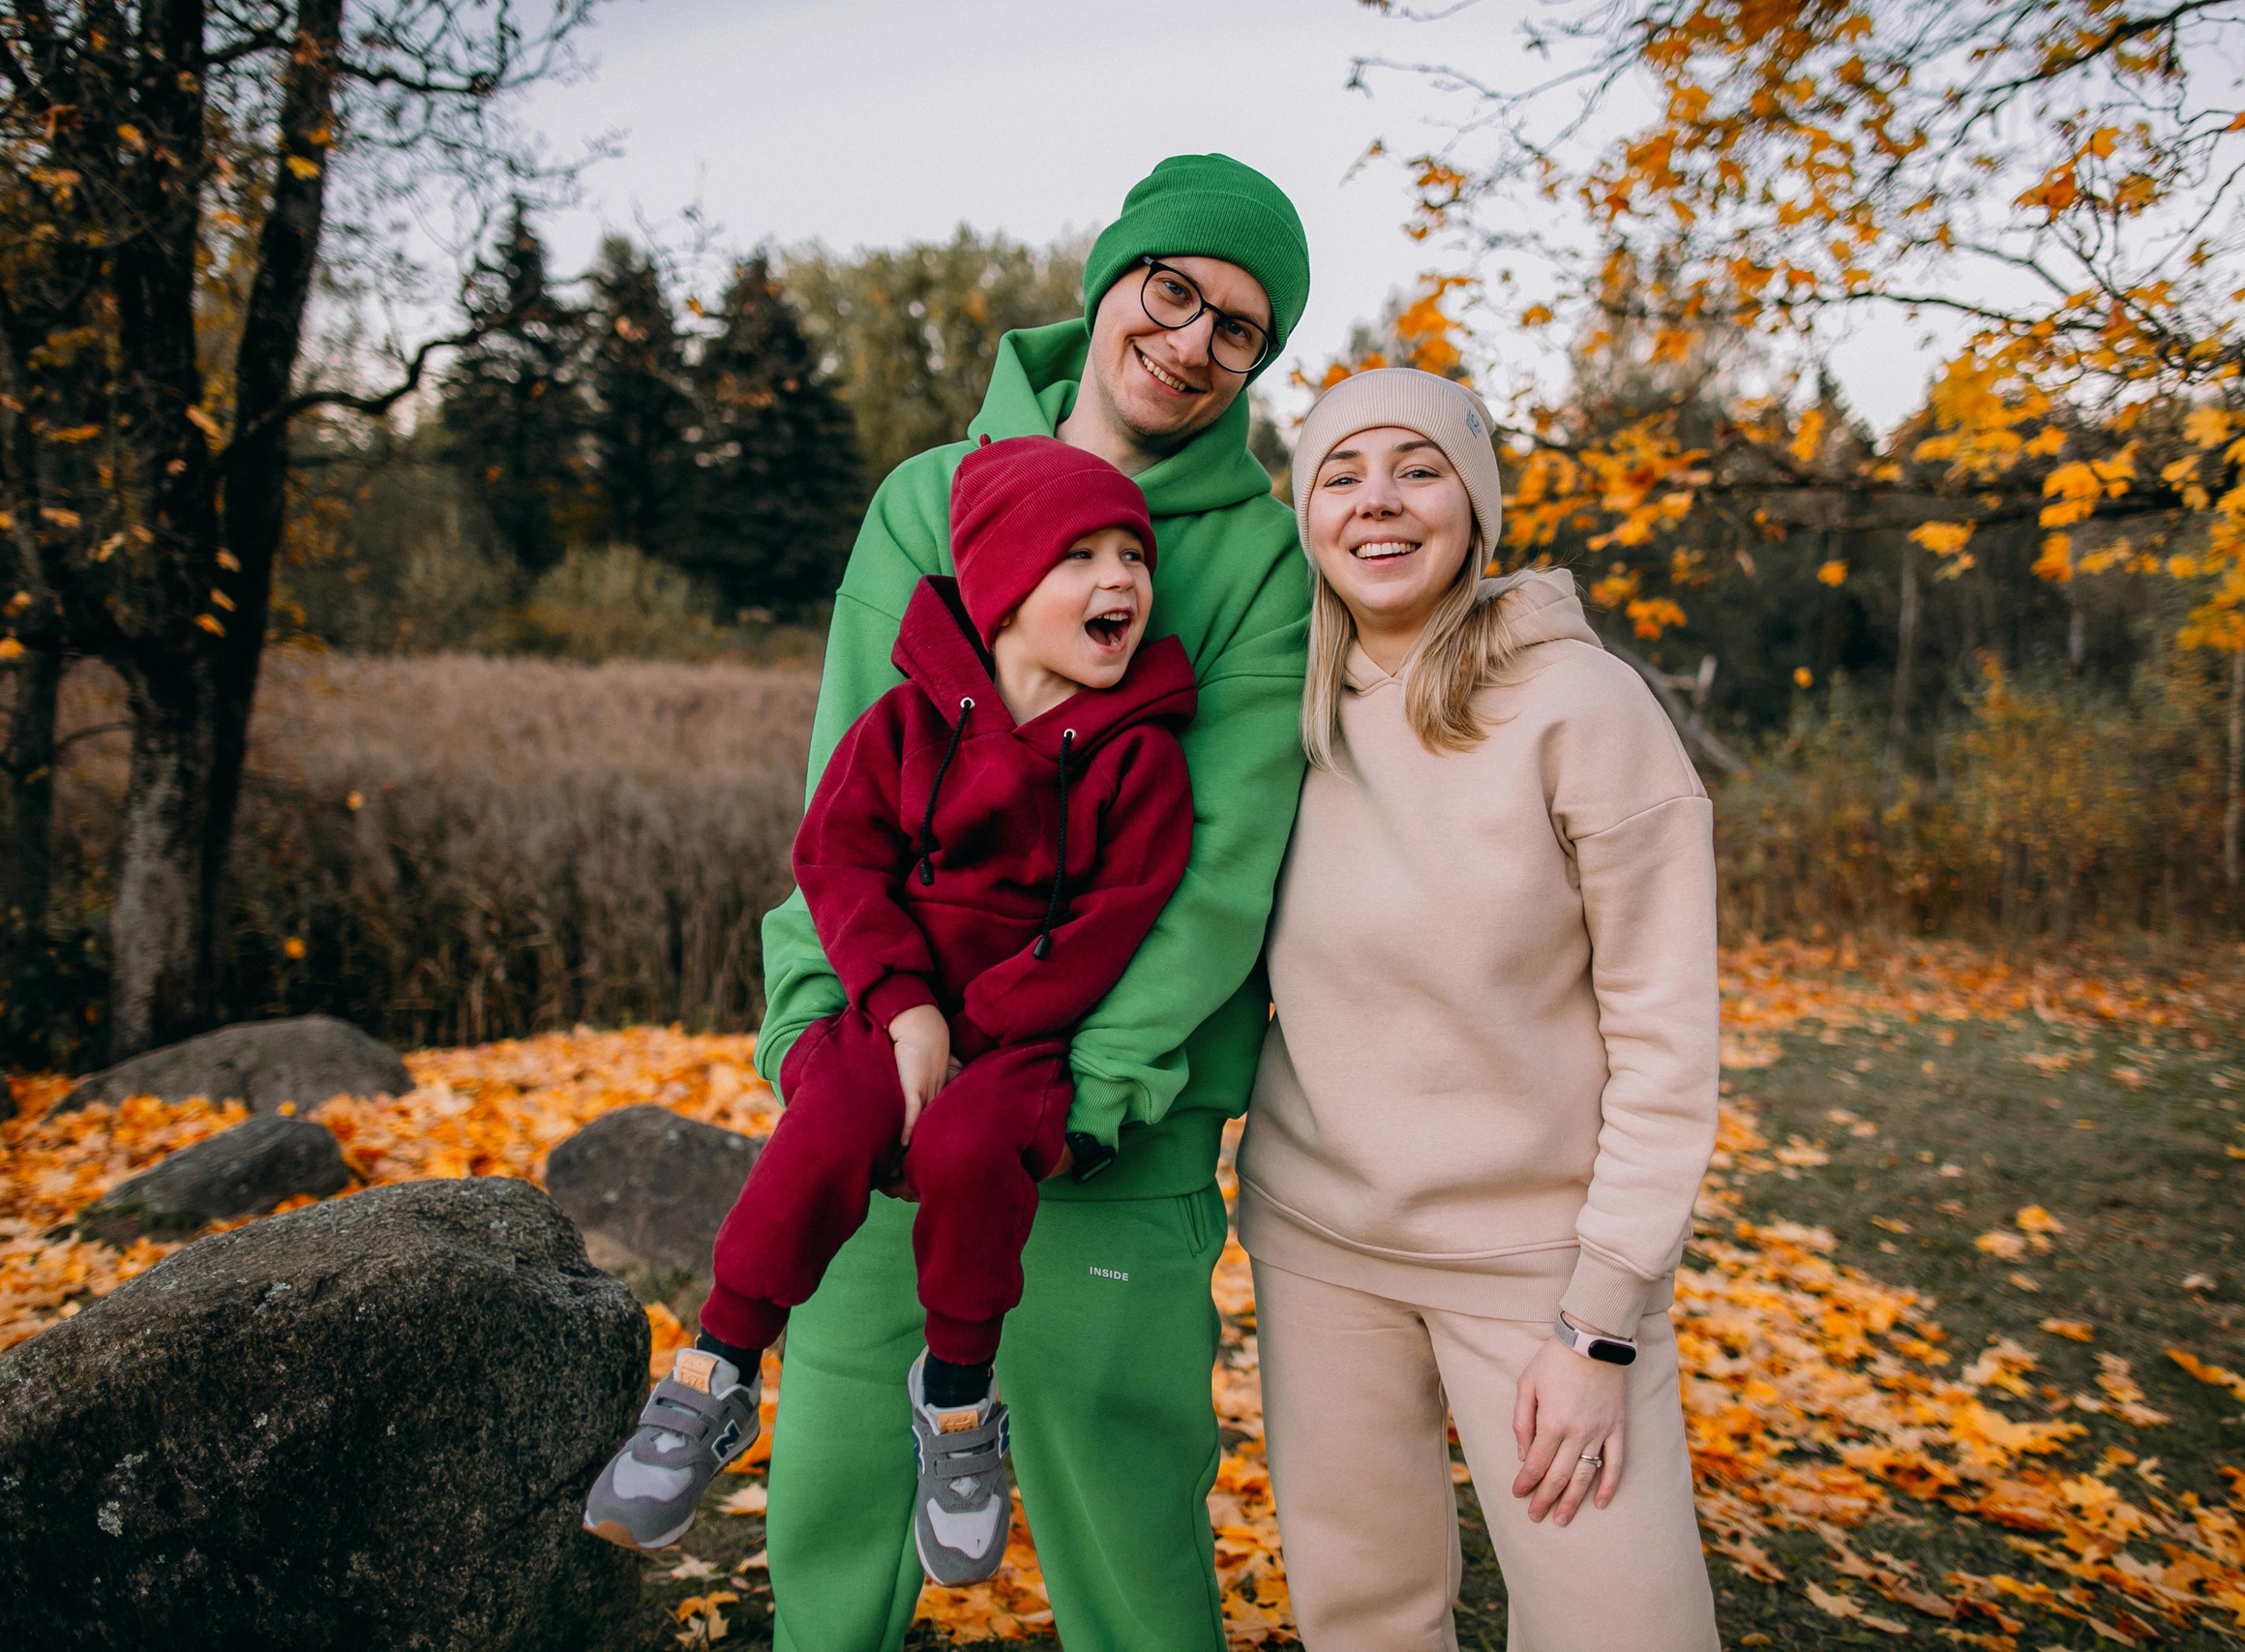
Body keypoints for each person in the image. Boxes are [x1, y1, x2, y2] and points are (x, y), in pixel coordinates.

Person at [751, 154, 1313, 1652]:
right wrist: (824, 1025)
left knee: (1123, 1521)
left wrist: (1092, 1084)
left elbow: (1218, 866)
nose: (1193, 339)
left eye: (1241, 328)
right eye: (1174, 288)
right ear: (1112, 278)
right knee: (830, 1495)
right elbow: (840, 802)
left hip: (1105, 1118)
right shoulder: (927, 499)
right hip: (898, 1072)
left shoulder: (1259, 554)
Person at [583, 436, 1196, 1584]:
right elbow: (839, 860)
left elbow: (1118, 916)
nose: (1121, 580)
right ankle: (715, 1371)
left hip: (1025, 1035)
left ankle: (958, 1401)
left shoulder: (1140, 761)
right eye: (1082, 557)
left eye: (1134, 558)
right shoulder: (909, 727)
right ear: (1006, 586)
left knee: (972, 1148)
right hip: (893, 1005)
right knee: (830, 1114)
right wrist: (907, 1009)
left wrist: (987, 1031)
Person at [1237, 368, 1722, 1650]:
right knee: (1367, 1620)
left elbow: (1667, 1045)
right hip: (1320, 1246)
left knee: (1628, 1631)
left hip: (1542, 1271)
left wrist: (1601, 1324)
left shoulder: (1584, 707)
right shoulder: (1284, 710)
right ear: (1306, 511)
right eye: (1340, 472)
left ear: (1477, 504)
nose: (1377, 502)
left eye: (1419, 467)